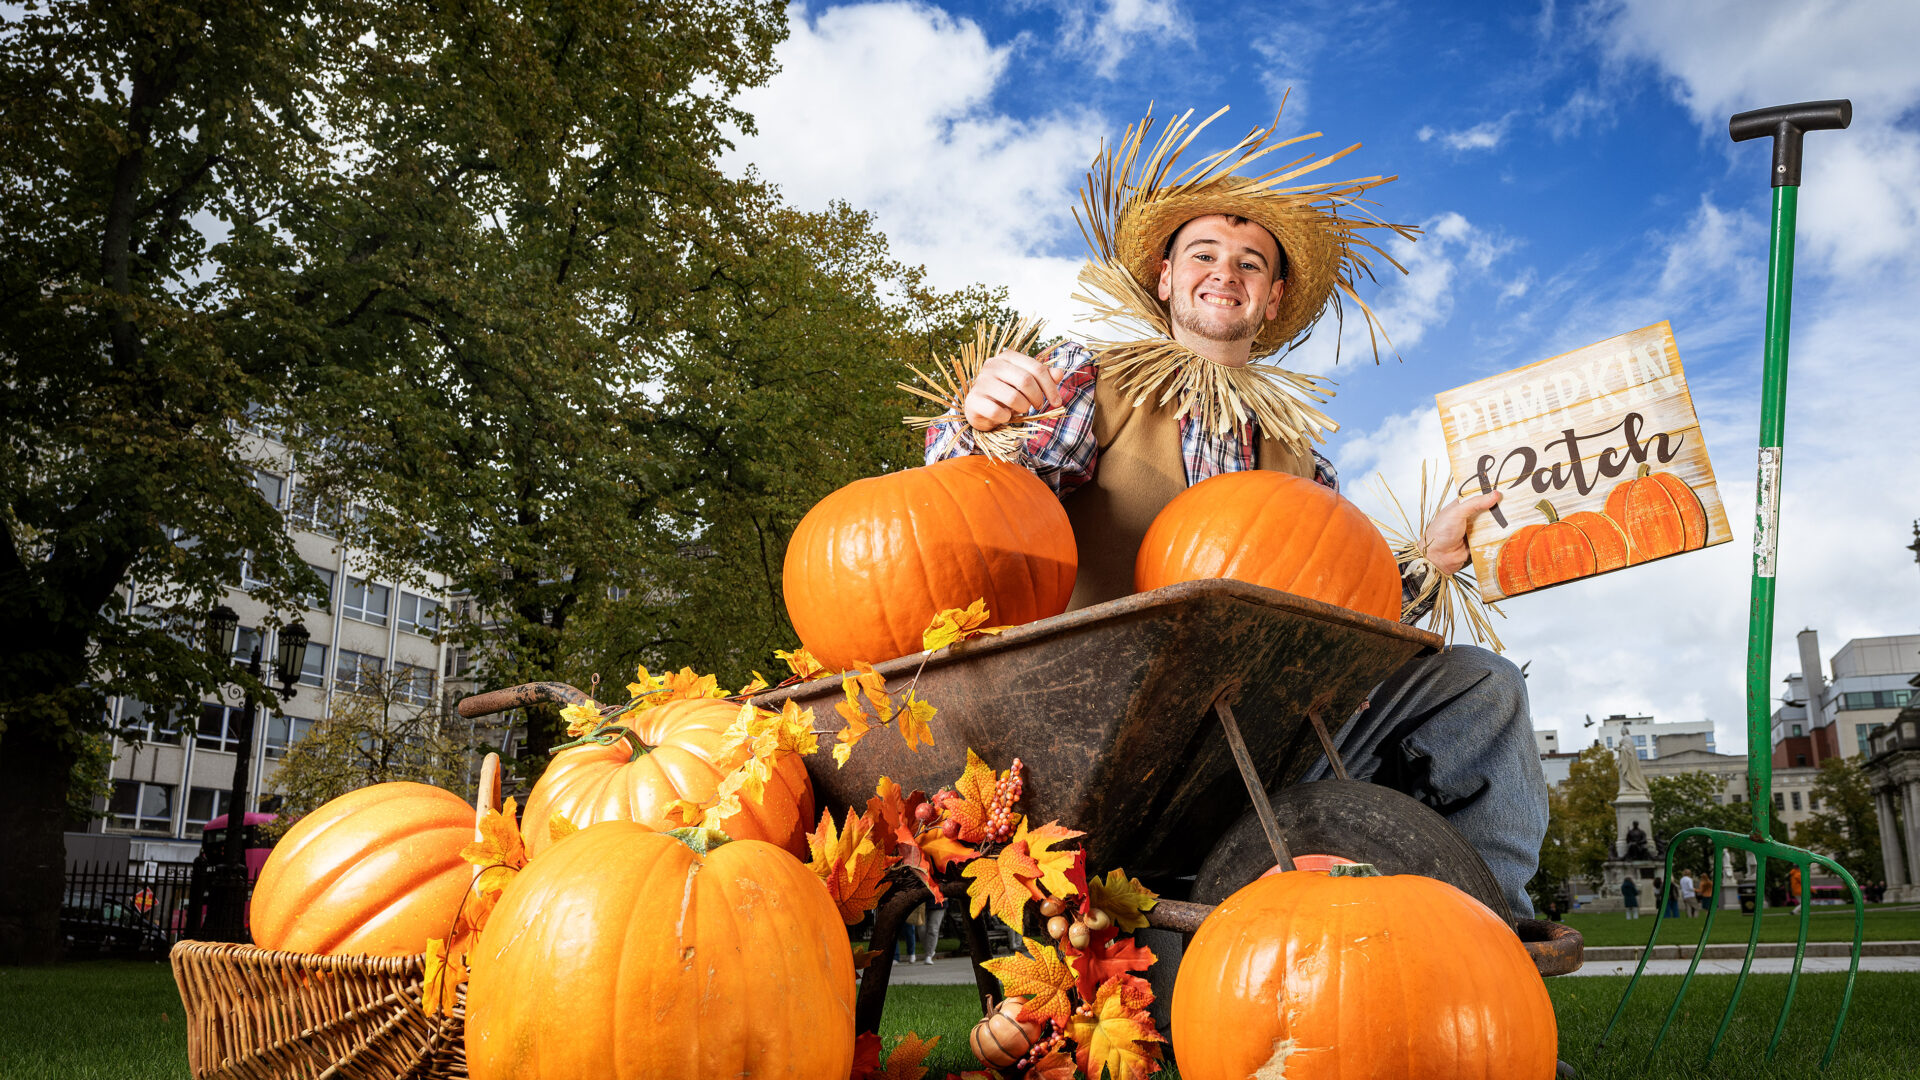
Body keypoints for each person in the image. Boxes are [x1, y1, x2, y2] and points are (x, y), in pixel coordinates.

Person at [930, 106, 1550, 918]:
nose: (1227, 271)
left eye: (1251, 263)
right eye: (1205, 254)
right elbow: (971, 497)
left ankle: (1489, 927)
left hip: (1275, 736)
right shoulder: (1092, 379)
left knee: (1486, 686)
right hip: (1114, 735)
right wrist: (982, 418)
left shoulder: (1299, 446)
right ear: (1165, 277)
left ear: (1272, 297)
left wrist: (1425, 565)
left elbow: (1339, 596)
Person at [920, 896, 947, 964]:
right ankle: (930, 950)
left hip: (939, 901)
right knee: (921, 929)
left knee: (933, 929)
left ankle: (929, 955)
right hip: (921, 903)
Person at [898, 897, 924, 962]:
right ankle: (895, 957)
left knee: (909, 931)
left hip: (908, 905)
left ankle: (911, 953)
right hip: (897, 904)